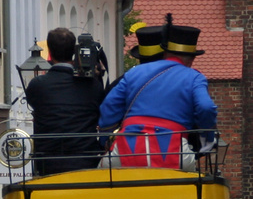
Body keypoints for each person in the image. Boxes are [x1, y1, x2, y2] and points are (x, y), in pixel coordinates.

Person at [98, 15, 217, 168]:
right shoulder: (194, 77)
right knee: (194, 184)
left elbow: (108, 107)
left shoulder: (133, 73)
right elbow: (206, 107)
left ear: (165, 52)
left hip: (126, 150)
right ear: (191, 59)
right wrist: (207, 139)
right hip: (174, 152)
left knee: (100, 179)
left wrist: (104, 139)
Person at [24, 27, 106, 175]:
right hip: (85, 161)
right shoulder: (93, 85)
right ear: (74, 50)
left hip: (48, 163)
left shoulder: (38, 85)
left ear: (49, 51)